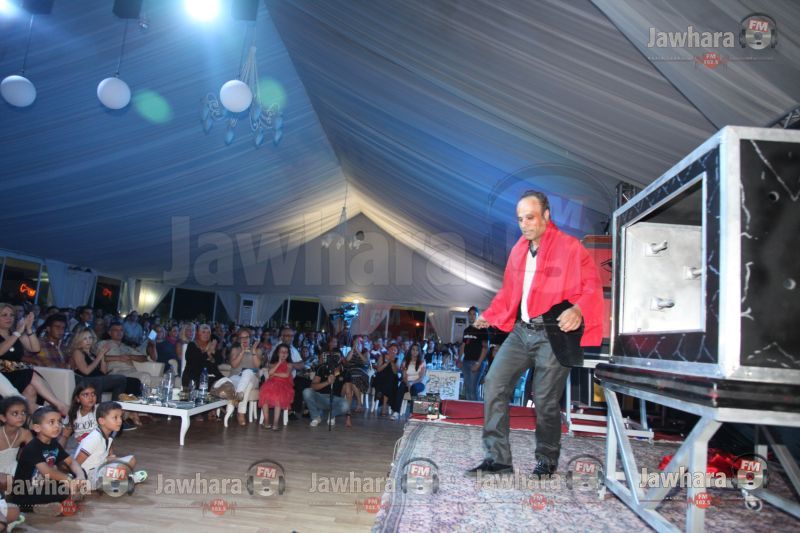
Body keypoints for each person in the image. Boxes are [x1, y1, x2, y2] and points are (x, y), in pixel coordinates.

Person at [467, 190, 603, 478]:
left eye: (530, 217)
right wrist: (489, 315)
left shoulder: (570, 247)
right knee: (493, 384)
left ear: (546, 216)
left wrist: (578, 309)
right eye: (520, 219)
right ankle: (498, 460)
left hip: (553, 332)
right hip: (521, 331)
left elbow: (592, 285)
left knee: (543, 399)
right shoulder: (518, 251)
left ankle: (547, 459)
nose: (524, 224)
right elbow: (508, 293)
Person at [9, 406, 86, 514]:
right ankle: (35, 507)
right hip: (26, 492)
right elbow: (47, 471)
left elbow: (71, 461)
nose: (57, 426)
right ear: (37, 428)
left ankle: (63, 497)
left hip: (44, 485)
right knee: (61, 490)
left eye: (59, 422)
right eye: (51, 422)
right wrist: (68, 480)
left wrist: (80, 476)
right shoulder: (32, 448)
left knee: (81, 472)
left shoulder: (53, 443)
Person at [0, 304, 69, 417]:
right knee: (27, 369)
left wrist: (28, 329)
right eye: (4, 315)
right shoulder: (16, 334)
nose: (9, 318)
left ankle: (30, 421)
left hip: (18, 374)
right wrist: (17, 333)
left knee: (31, 389)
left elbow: (36, 349)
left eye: (12, 315)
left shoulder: (17, 335)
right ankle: (59, 405)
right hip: (3, 375)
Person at [74, 401, 147, 492]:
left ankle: (120, 481)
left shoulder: (108, 435)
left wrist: (109, 459)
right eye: (115, 417)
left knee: (132, 459)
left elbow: (99, 457)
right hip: (89, 476)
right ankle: (126, 481)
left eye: (120, 417)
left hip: (100, 468)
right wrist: (77, 480)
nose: (120, 421)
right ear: (102, 421)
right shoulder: (94, 438)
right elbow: (76, 462)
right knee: (120, 468)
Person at [69, 328, 127, 405]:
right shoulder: (77, 352)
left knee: (122, 379)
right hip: (86, 380)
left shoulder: (92, 353)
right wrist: (99, 356)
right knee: (100, 381)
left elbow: (103, 372)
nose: (88, 341)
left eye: (90, 338)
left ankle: (115, 406)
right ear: (79, 340)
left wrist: (103, 355)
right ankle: (99, 407)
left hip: (98, 379)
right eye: (85, 339)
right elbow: (86, 371)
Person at [302, 351, 352, 427]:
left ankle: (331, 415)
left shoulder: (346, 372)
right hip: (320, 397)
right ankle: (315, 417)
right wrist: (327, 382)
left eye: (337, 357)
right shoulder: (322, 368)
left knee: (346, 405)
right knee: (306, 392)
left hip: (335, 399)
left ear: (341, 358)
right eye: (333, 356)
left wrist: (348, 417)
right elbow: (312, 386)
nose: (334, 359)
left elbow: (349, 394)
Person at [227, 328, 262, 426]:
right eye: (242, 337)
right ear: (239, 339)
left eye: (246, 337)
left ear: (250, 338)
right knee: (247, 385)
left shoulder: (257, 350)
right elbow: (234, 365)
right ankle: (241, 413)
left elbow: (257, 365)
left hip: (252, 377)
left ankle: (237, 400)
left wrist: (253, 351)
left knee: (247, 372)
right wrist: (242, 352)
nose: (244, 339)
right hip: (236, 378)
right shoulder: (235, 350)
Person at [258, 343, 294, 430]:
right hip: (271, 383)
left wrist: (274, 374)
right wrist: (279, 363)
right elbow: (270, 372)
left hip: (284, 385)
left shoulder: (289, 365)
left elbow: (286, 375)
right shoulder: (272, 364)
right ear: (277, 353)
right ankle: (266, 421)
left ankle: (275, 423)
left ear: (288, 354)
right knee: (264, 394)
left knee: (278, 396)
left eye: (286, 352)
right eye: (282, 352)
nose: (284, 354)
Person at [59, 384, 99, 454]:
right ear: (77, 399)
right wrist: (58, 454)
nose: (91, 398)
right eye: (86, 395)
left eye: (93, 394)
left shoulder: (99, 410)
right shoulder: (73, 413)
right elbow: (65, 436)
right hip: (81, 449)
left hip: (98, 447)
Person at [460, 306, 488, 401]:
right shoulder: (466, 330)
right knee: (467, 390)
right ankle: (469, 409)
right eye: (470, 314)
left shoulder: (482, 329)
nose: (472, 316)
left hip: (476, 362)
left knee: (473, 389)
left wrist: (478, 363)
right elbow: (463, 346)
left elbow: (485, 347)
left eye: (474, 314)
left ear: (477, 316)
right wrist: (460, 360)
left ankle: (476, 409)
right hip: (466, 362)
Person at [393, 343, 427, 416]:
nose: (415, 351)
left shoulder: (422, 362)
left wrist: (412, 383)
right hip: (407, 382)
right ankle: (396, 412)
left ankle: (412, 412)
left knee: (414, 388)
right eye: (413, 349)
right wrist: (408, 384)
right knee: (401, 387)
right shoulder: (405, 361)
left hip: (418, 383)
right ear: (410, 350)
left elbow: (421, 377)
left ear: (419, 352)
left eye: (417, 350)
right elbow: (404, 376)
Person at [373, 343, 400, 419]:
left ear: (397, 352)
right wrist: (387, 362)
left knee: (390, 379)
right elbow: (378, 369)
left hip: (392, 380)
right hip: (381, 377)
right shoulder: (382, 356)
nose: (393, 351)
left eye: (395, 350)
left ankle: (383, 404)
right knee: (387, 381)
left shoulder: (397, 359)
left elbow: (395, 372)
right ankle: (384, 406)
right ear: (388, 350)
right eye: (391, 349)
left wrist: (392, 362)